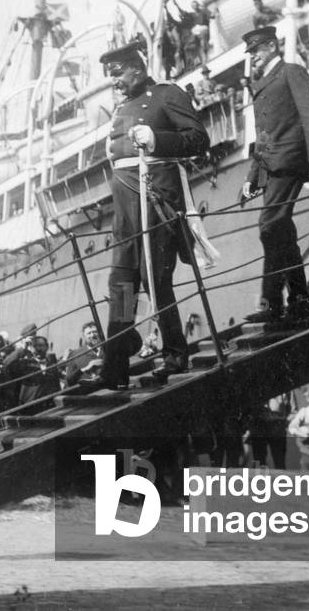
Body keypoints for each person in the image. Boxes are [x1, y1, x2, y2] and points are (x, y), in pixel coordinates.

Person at [95, 42, 210, 389]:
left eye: (118, 73)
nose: (114, 81)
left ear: (137, 67)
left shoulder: (165, 95)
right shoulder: (121, 107)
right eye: (110, 75)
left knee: (155, 281)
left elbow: (198, 139)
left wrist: (157, 139)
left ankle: (175, 353)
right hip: (126, 212)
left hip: (155, 201)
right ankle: (115, 369)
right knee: (122, 284)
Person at [240, 26, 309, 322]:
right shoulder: (263, 82)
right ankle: (299, 298)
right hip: (271, 166)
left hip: (290, 160)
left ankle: (272, 304)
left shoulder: (291, 71)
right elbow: (262, 136)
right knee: (280, 230)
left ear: (270, 47)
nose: (252, 56)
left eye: (255, 50)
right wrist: (251, 178)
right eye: (250, 52)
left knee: (269, 226)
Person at [63, 321, 104, 387]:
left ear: (100, 333)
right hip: (85, 393)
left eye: (95, 332)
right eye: (89, 333)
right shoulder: (75, 354)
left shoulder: (108, 350)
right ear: (84, 336)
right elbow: (69, 380)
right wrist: (85, 369)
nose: (92, 335)